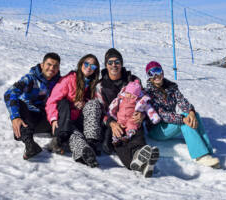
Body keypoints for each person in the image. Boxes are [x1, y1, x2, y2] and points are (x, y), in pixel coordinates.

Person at [95, 48, 159, 177]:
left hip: (132, 118)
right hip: (112, 121)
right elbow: (100, 110)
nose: (114, 65)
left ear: (122, 63)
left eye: (117, 61)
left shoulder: (133, 80)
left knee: (135, 126)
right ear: (106, 65)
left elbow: (143, 99)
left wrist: (142, 114)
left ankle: (141, 153)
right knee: (118, 138)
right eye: (110, 62)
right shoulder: (100, 85)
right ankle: (134, 161)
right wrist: (112, 123)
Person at [144, 61, 220, 168]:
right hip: (156, 129)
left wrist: (191, 112)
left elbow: (182, 102)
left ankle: (207, 150)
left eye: (157, 71)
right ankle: (200, 156)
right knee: (184, 121)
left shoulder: (171, 88)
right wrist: (183, 118)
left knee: (194, 116)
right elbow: (162, 114)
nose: (156, 75)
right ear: (148, 77)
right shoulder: (148, 93)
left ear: (162, 72)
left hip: (168, 125)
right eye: (151, 73)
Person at [45, 54, 102, 168]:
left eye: (93, 66)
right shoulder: (68, 80)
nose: (89, 67)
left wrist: (84, 103)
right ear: (81, 64)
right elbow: (52, 101)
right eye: (86, 64)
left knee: (93, 104)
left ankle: (91, 143)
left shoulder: (94, 84)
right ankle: (84, 152)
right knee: (75, 135)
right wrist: (54, 119)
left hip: (82, 122)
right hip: (66, 121)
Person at [4, 52, 61, 160]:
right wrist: (15, 117)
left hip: (47, 119)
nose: (51, 68)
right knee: (19, 103)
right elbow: (9, 93)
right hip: (29, 118)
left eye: (55, 66)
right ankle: (30, 145)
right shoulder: (30, 79)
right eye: (49, 64)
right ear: (42, 65)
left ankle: (62, 139)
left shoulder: (59, 82)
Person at [109, 79, 160, 144]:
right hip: (120, 118)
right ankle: (115, 139)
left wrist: (155, 118)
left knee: (132, 125)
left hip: (132, 118)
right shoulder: (121, 98)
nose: (129, 96)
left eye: (132, 95)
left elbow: (148, 108)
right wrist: (110, 111)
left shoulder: (140, 101)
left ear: (137, 95)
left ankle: (129, 135)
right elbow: (113, 105)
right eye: (128, 93)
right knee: (118, 127)